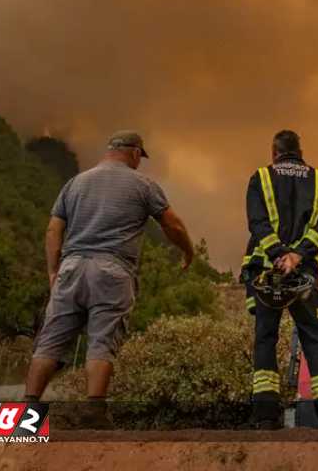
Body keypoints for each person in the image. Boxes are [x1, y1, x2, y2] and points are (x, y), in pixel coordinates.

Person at [25, 130, 193, 423]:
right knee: (101, 343)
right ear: (135, 153)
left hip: (71, 268)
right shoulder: (143, 184)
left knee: (49, 343)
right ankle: (94, 416)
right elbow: (174, 226)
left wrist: (53, 271)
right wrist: (188, 252)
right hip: (112, 271)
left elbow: (53, 230)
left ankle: (21, 424)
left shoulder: (75, 182)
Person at [241, 130, 318, 429]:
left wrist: (278, 254)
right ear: (300, 151)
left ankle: (266, 417)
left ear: (274, 152)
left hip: (266, 273)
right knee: (313, 338)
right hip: (304, 273)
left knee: (266, 338)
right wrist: (298, 256)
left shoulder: (260, 177)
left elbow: (257, 222)